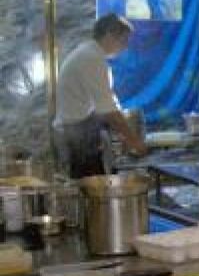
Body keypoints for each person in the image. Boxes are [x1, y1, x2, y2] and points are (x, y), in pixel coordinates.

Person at [53, 13, 148, 178]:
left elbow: (108, 100)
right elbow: (108, 110)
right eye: (124, 40)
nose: (125, 46)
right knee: (91, 186)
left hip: (80, 130)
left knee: (91, 184)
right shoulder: (91, 58)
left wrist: (125, 132)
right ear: (110, 35)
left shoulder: (89, 54)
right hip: (77, 134)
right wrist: (135, 142)